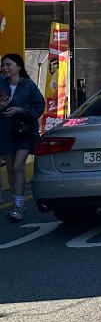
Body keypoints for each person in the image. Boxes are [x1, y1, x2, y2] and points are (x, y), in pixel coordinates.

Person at [1, 53, 46, 222]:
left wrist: (21, 110)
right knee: (11, 167)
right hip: (5, 131)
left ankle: (19, 205)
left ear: (18, 67)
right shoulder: (0, 83)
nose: (5, 68)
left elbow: (39, 105)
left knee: (19, 165)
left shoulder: (28, 85)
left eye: (8, 65)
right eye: (3, 65)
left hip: (23, 131)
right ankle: (16, 200)